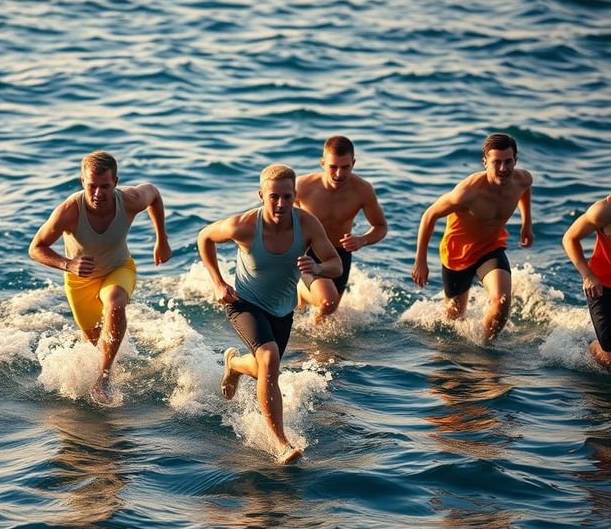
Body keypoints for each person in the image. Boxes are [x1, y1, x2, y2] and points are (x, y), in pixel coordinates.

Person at [199, 163, 340, 463]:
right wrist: (218, 282)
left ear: (295, 196)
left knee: (267, 368)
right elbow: (204, 238)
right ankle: (281, 444)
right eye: (274, 196)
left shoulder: (308, 224)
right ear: (261, 194)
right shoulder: (245, 225)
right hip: (243, 302)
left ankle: (235, 364)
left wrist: (317, 268)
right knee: (269, 358)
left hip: (282, 310)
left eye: (287, 197)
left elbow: (335, 264)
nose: (280, 203)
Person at [27, 151, 170, 396]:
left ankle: (104, 378)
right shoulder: (69, 210)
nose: (97, 193)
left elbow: (154, 194)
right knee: (93, 344)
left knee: (115, 304)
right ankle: (101, 370)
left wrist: (162, 239)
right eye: (91, 186)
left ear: (115, 182)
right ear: (83, 181)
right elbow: (36, 248)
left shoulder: (129, 200)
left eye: (104, 186)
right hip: (79, 280)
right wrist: (67, 264)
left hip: (118, 268)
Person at [410, 131, 534, 342]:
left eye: (508, 162)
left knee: (502, 301)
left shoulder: (522, 179)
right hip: (458, 255)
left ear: (516, 160)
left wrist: (526, 224)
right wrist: (420, 261)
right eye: (497, 162)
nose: (503, 169)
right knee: (454, 316)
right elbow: (429, 216)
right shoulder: (467, 192)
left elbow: (525, 191)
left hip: (490, 247)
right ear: (485, 162)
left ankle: (485, 348)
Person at [293, 134, 389, 317]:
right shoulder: (303, 186)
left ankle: (309, 345)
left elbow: (380, 226)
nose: (339, 174)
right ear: (322, 163)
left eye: (345, 167)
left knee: (327, 313)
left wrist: (362, 240)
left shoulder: (362, 190)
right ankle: (300, 289)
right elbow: (275, 216)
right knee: (326, 303)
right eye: (333, 167)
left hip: (340, 255)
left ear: (353, 163)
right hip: (309, 253)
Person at [561, 198, 611, 371]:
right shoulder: (604, 211)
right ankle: (592, 346)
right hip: (602, 286)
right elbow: (570, 239)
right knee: (609, 357)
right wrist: (588, 276)